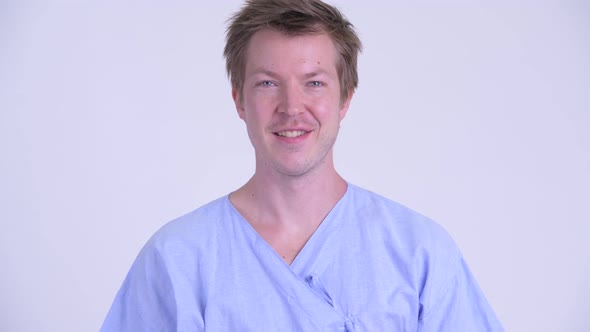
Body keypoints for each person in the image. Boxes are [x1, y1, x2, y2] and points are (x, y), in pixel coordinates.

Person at [101, 0, 503, 331]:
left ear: (345, 97)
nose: (292, 108)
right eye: (267, 83)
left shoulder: (419, 254)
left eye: (314, 83)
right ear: (239, 100)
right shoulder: (177, 261)